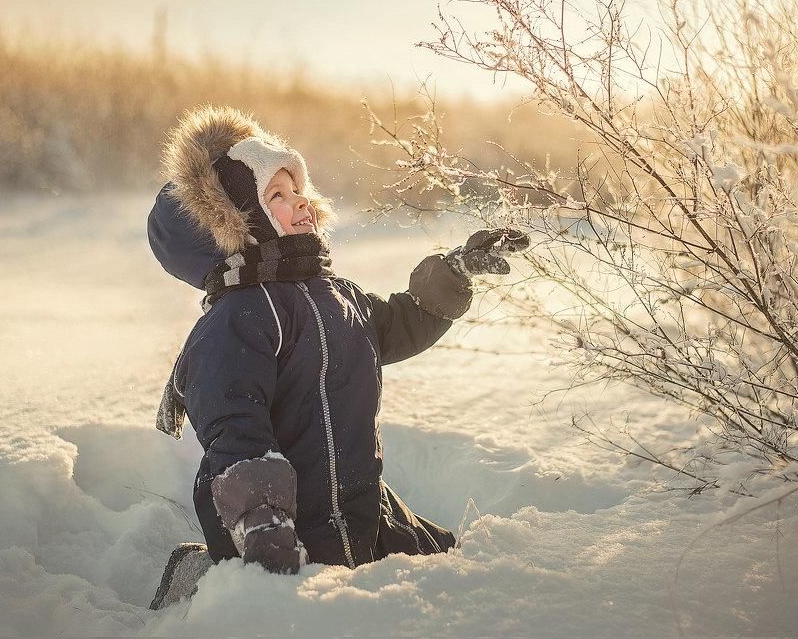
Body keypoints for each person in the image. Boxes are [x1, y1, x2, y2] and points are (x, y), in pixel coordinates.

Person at [144, 105, 529, 608]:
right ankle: (206, 577)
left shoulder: (336, 295)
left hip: (359, 504)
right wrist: (263, 522)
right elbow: (235, 433)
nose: (300, 202)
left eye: (298, 188)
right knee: (297, 603)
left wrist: (454, 273)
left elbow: (396, 325)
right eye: (276, 195)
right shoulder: (236, 319)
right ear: (237, 224)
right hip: (279, 520)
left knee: (454, 577)